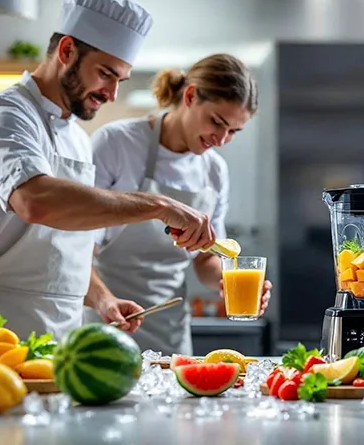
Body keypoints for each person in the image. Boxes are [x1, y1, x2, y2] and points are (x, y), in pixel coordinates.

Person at [0, 0, 217, 341]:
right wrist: (158, 207)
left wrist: (103, 299)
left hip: (62, 333)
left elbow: (65, 249)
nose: (112, 93)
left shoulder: (78, 139)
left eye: (120, 79)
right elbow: (35, 201)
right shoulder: (5, 114)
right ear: (67, 50)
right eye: (105, 73)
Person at [87, 54, 272, 355]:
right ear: (189, 96)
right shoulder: (117, 143)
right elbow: (76, 249)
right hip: (107, 322)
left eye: (234, 131)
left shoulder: (214, 170)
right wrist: (104, 301)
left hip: (170, 332)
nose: (222, 139)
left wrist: (226, 283)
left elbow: (205, 259)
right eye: (217, 122)